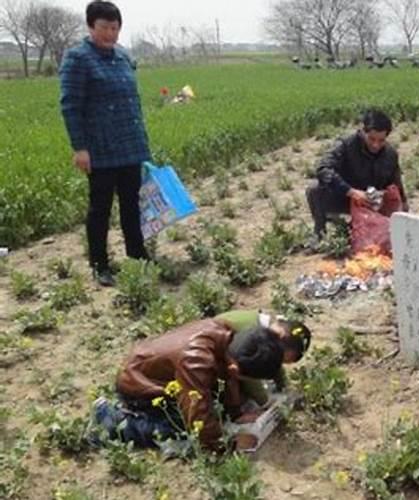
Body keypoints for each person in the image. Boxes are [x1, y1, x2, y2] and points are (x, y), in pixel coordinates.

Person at [91, 309, 312, 451]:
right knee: (182, 428)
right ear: (235, 368)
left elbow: (230, 377)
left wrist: (237, 413)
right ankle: (111, 419)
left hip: (167, 376)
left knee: (221, 407)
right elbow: (198, 412)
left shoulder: (232, 340)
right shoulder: (196, 361)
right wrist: (228, 445)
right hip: (140, 386)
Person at [59, 1, 151, 287]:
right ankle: (100, 264)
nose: (111, 33)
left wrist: (142, 142)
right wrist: (80, 147)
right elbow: (70, 106)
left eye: (115, 28)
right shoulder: (78, 59)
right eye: (104, 28)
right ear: (90, 26)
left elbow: (132, 102)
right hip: (100, 149)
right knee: (100, 209)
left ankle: (137, 255)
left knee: (131, 205)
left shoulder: (123, 57)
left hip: (130, 146)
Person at [305, 109, 409, 247]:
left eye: (381, 140)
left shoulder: (390, 155)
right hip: (345, 196)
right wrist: (352, 192)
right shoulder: (346, 145)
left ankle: (370, 233)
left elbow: (396, 183)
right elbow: (323, 168)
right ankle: (320, 233)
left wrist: (403, 205)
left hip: (372, 202)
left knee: (386, 236)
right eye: (371, 139)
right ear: (363, 131)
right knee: (314, 190)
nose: (376, 145)